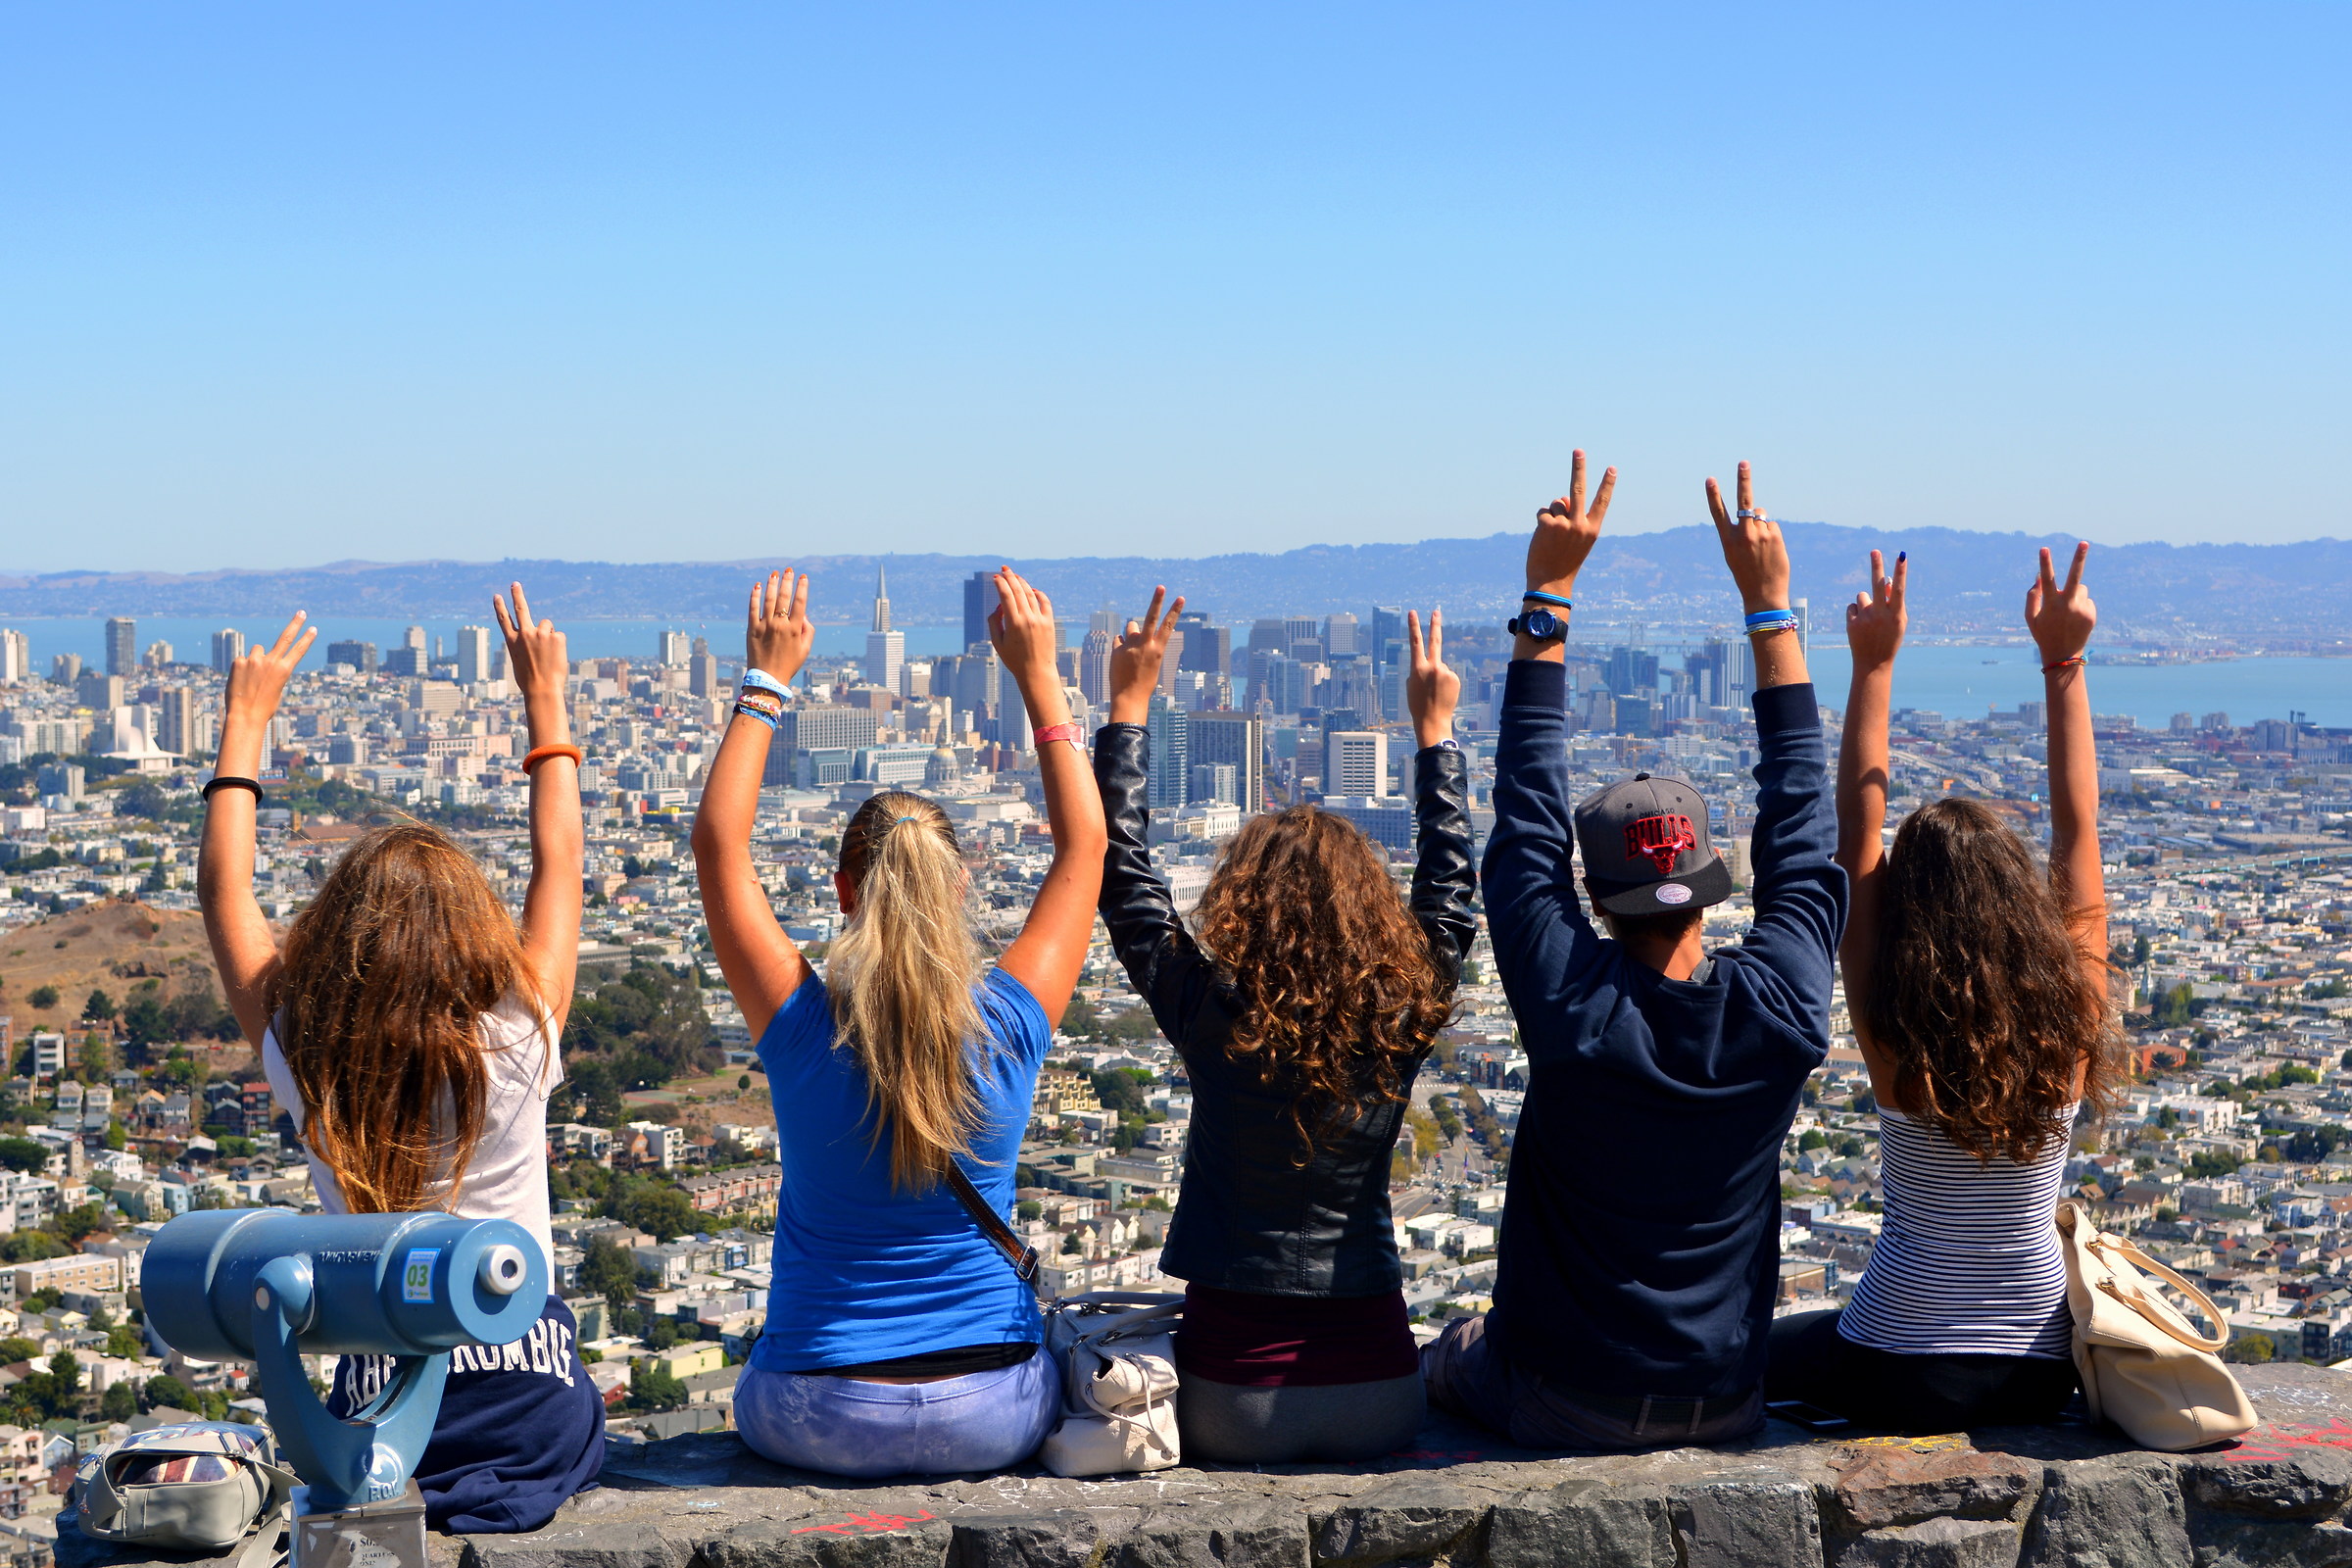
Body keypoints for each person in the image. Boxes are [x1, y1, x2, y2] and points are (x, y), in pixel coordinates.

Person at [1422, 456, 1845, 1450]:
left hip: (1560, 1402)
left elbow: (1524, 824)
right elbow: (1806, 836)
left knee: (1448, 1350)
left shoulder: (1573, 1006)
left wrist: (1548, 595)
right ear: (1708, 881)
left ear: (1597, 901)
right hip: (1727, 1402)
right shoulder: (1779, 1012)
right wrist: (1771, 611)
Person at [198, 591, 603, 1534]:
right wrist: (547, 706)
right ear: (474, 935)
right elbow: (562, 863)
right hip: (533, 1411)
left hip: (386, 1437)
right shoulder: (519, 1033)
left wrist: (244, 726)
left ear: (337, 938)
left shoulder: (312, 1055)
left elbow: (226, 897)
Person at [694, 566, 1105, 1480]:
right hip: (996, 1410)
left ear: (844, 893)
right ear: (960, 889)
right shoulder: (1004, 1025)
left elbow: (720, 848)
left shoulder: (804, 1030)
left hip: (818, 1409)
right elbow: (1086, 848)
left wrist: (767, 679)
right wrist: (1039, 674)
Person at [1092, 591, 1477, 1463]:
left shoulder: (1213, 1015)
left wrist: (1127, 708)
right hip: (1385, 1390)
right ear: (1372, 911)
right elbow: (1450, 901)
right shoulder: (1404, 1012)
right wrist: (1435, 733)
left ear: (1239, 905)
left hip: (1232, 1400)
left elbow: (1127, 883)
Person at [1765, 544, 2118, 1432]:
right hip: (2041, 1368)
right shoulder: (2066, 1028)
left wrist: (1874, 663)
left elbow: (1858, 835)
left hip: (1897, 1360)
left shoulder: (1895, 1029)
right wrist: (2063, 662)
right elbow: (2079, 831)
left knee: (1761, 1350)